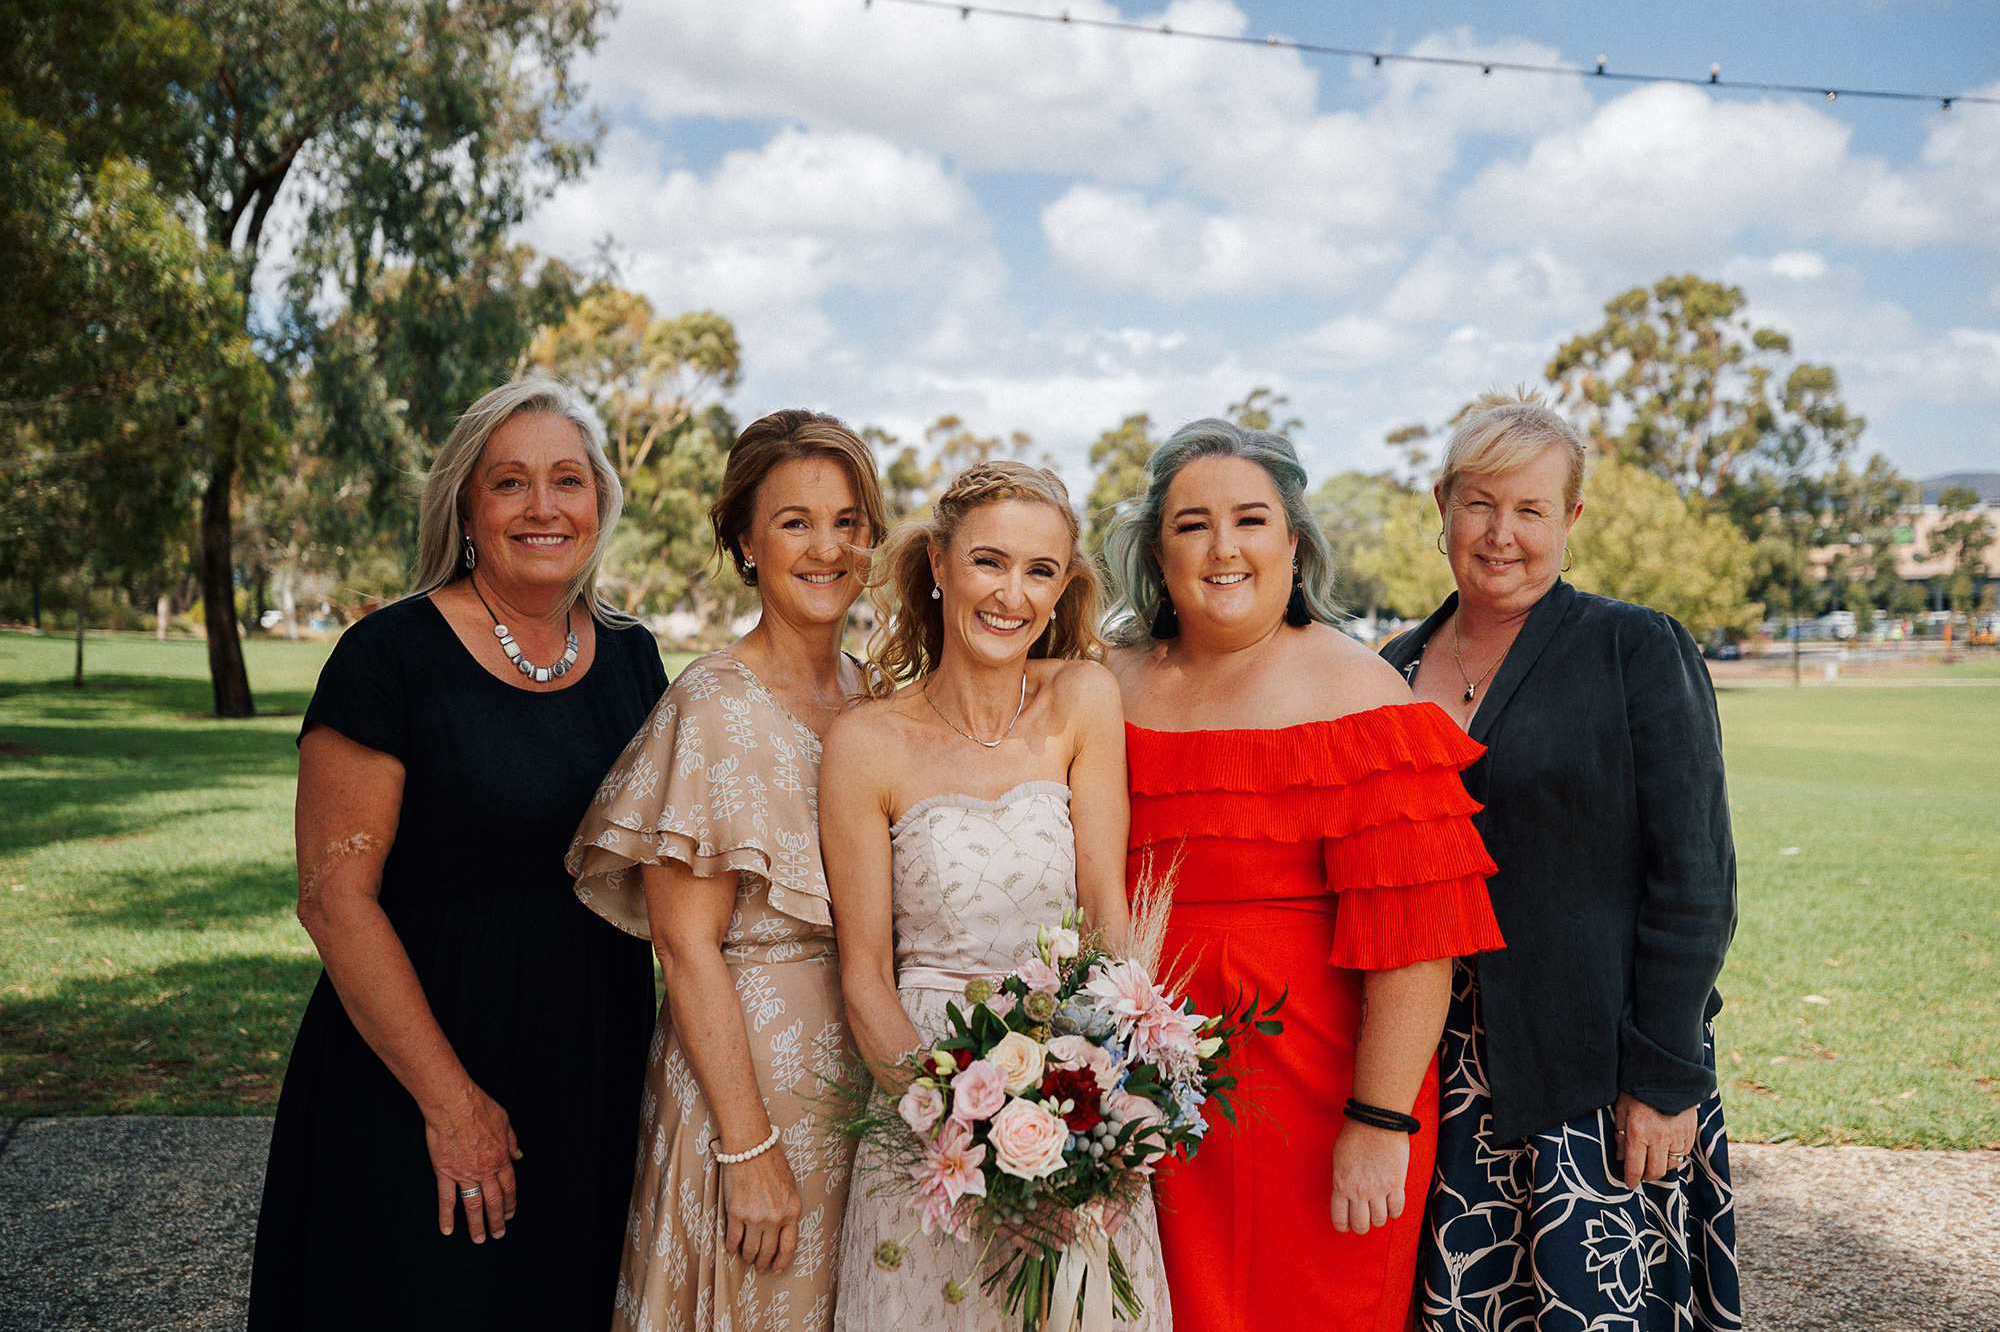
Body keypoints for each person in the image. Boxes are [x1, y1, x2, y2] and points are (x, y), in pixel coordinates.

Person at [249, 378, 668, 1329]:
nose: (543, 505)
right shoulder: (388, 656)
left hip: (588, 1061)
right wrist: (453, 1105)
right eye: (509, 482)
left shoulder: (634, 656)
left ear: (599, 500)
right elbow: (333, 900)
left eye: (568, 479)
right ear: (466, 507)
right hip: (421, 1064)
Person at [1103, 418, 1504, 1332]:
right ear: (1156, 552)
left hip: (1313, 1099)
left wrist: (1379, 1122)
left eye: (1250, 518)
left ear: (1293, 540)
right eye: (1191, 523)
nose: (1223, 546)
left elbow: (1419, 946)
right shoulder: (1102, 684)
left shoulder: (1361, 694)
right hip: (1134, 1089)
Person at [1381, 392, 1741, 1331]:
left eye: (1531, 509)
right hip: (1433, 1070)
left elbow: (1695, 877)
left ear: (1570, 519)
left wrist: (1663, 1078)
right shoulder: (1386, 667)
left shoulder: (1633, 645)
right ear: (1442, 506)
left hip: (1592, 1069)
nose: (1502, 534)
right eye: (1480, 503)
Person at [822, 461, 1170, 1332]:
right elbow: (865, 975)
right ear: (938, 564)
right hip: (927, 1103)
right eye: (989, 561)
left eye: (1040, 570)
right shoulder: (866, 739)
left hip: (1077, 1089)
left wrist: (1097, 1120)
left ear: (1062, 589)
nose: (1011, 593)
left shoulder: (1084, 698)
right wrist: (960, 1136)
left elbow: (1105, 915)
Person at [566, 409, 888, 1332]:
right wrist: (748, 1149)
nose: (826, 547)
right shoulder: (710, 702)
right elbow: (684, 942)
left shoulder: (882, 697)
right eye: (794, 521)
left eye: (847, 522)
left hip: (866, 1103)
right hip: (746, 1095)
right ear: (745, 541)